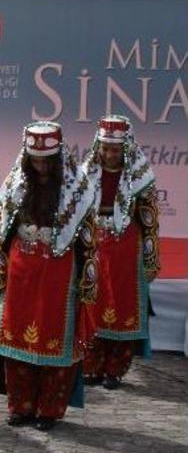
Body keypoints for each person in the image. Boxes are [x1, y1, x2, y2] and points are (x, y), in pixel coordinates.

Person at [0, 121, 98, 431]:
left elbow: (87, 239)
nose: (41, 167)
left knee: (55, 337)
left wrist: (87, 279)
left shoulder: (78, 189)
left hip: (60, 273)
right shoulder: (16, 182)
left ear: (58, 157)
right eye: (35, 160)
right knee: (16, 334)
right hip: (21, 269)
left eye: (46, 161)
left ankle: (49, 410)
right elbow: (2, 229)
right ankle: (20, 406)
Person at [81, 115, 159, 390]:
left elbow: (150, 223)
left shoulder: (140, 179)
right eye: (105, 148)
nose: (109, 154)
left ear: (126, 149)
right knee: (92, 307)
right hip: (95, 247)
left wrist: (151, 260)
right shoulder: (85, 174)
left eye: (115, 149)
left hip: (127, 249)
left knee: (123, 306)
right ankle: (91, 366)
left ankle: (115, 370)